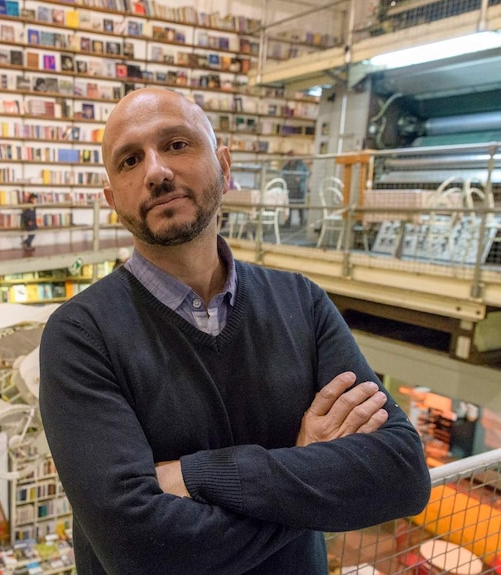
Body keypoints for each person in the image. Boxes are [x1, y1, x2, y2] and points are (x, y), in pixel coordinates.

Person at [38, 88, 430, 574]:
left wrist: (197, 475)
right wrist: (305, 468)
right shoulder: (79, 336)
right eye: (130, 161)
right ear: (111, 198)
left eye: (177, 145)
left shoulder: (301, 302)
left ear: (225, 165)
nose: (157, 172)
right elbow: (139, 552)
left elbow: (401, 473)